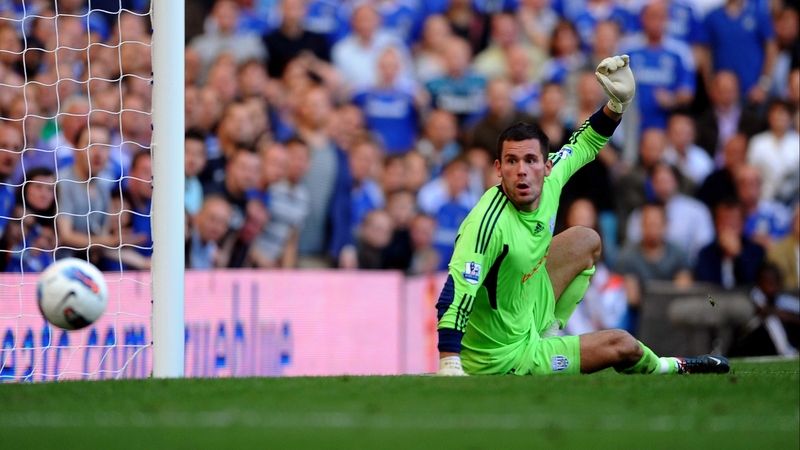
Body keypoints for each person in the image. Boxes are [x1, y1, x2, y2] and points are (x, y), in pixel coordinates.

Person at [436, 55, 729, 377]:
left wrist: (616, 106)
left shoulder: (551, 181)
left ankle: (549, 333)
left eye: (530, 160)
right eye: (511, 161)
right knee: (624, 344)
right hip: (501, 358)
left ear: (548, 166)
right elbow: (455, 293)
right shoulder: (486, 222)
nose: (521, 170)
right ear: (498, 168)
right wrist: (450, 363)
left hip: (529, 314)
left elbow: (586, 142)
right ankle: (673, 366)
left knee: (586, 239)